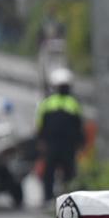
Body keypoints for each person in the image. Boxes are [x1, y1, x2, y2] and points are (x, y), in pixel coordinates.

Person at [36, 69, 86, 203]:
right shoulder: (72, 103)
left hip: (58, 145)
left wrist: (41, 142)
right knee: (64, 173)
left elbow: (40, 126)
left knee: (55, 173)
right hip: (64, 146)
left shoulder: (48, 103)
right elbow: (79, 126)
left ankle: (53, 199)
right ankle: (62, 199)